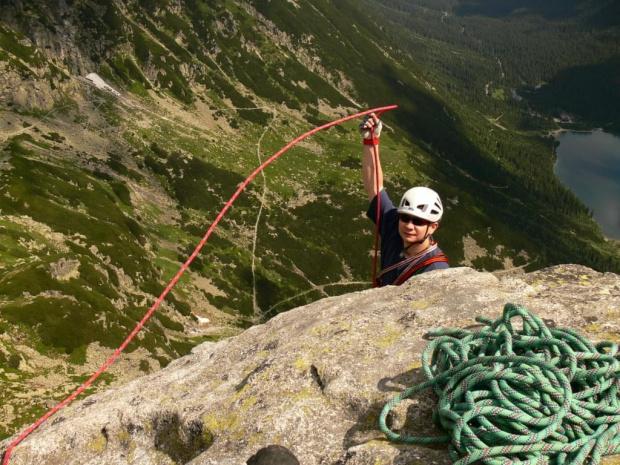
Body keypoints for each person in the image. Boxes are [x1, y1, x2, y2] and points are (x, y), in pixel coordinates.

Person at [360, 113, 449, 286]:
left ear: (433, 227)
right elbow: (374, 187)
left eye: (418, 221)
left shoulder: (436, 270)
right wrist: (371, 141)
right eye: (405, 217)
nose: (409, 225)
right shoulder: (393, 224)